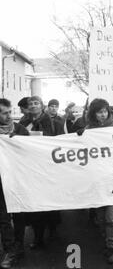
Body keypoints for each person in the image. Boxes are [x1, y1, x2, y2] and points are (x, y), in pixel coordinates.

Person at [20, 96, 65, 249]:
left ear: (41, 105)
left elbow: (61, 144)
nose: (33, 106)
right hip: (31, 169)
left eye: (36, 103)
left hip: (48, 168)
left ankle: (52, 232)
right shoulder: (22, 123)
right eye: (30, 104)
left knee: (50, 204)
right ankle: (38, 237)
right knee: (35, 205)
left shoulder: (55, 124)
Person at [83, 99, 113, 264]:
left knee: (112, 218)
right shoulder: (87, 130)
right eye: (99, 112)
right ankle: (106, 240)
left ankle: (112, 248)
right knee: (100, 217)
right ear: (93, 113)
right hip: (97, 181)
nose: (103, 114)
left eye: (105, 111)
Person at [0, 99, 28, 269]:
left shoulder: (20, 130)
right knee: (3, 217)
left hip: (18, 180)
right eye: (5, 113)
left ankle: (18, 246)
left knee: (19, 216)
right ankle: (9, 250)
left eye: (10, 112)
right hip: (0, 182)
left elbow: (30, 153)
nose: (9, 116)